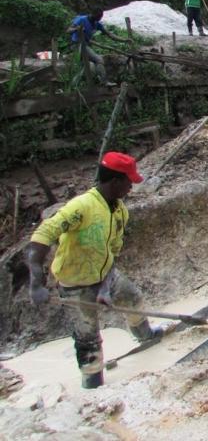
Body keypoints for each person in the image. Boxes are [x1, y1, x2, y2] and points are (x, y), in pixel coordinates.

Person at [27, 152, 163, 389]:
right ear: (115, 181)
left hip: (105, 274)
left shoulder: (120, 212)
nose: (131, 187)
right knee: (88, 338)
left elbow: (112, 252)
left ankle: (145, 336)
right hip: (75, 285)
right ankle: (93, 384)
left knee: (132, 298)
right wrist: (36, 283)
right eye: (129, 182)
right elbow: (41, 237)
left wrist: (105, 288)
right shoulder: (81, 207)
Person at [66, 9, 128, 85]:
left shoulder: (96, 23)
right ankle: (104, 82)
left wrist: (124, 40)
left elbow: (109, 34)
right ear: (92, 14)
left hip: (85, 45)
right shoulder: (81, 19)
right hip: (77, 45)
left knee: (85, 66)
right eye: (97, 17)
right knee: (99, 59)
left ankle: (73, 84)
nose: (99, 19)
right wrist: (77, 29)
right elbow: (68, 30)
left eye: (100, 17)